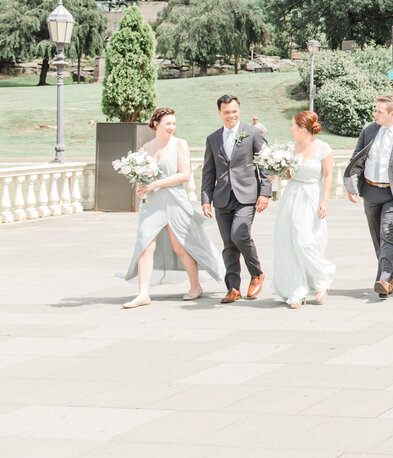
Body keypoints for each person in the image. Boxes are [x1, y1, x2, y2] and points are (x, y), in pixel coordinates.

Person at [121, 107, 222, 307]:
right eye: (168, 123)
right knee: (145, 245)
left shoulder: (179, 144)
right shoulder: (146, 148)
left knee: (181, 245)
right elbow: (142, 176)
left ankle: (195, 286)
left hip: (175, 200)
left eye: (174, 123)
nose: (172, 127)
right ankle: (143, 293)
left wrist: (156, 184)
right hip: (152, 203)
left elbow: (184, 175)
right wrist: (142, 188)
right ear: (156, 124)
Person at [344, 95, 393, 298]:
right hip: (370, 190)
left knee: (388, 233)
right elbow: (357, 159)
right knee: (377, 236)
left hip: (392, 194)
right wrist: (352, 186)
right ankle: (388, 275)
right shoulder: (369, 130)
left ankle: (383, 279)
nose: (375, 114)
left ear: (392, 114)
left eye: (379, 111)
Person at [201, 94, 271, 304]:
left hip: (247, 194)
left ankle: (256, 272)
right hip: (221, 197)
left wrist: (265, 192)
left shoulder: (252, 133)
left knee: (240, 234)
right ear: (220, 113)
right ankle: (233, 287)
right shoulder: (212, 138)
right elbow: (208, 171)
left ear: (238, 111)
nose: (231, 115)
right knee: (228, 244)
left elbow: (265, 163)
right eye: (226, 112)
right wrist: (205, 198)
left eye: (234, 111)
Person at [272, 111, 335, 308]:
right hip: (292, 196)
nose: (290, 129)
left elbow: (327, 176)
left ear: (303, 128)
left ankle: (320, 278)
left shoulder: (323, 148)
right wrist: (277, 170)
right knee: (288, 243)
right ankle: (297, 289)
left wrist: (324, 201)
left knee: (305, 241)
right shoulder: (289, 149)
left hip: (311, 197)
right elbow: (287, 176)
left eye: (293, 125)